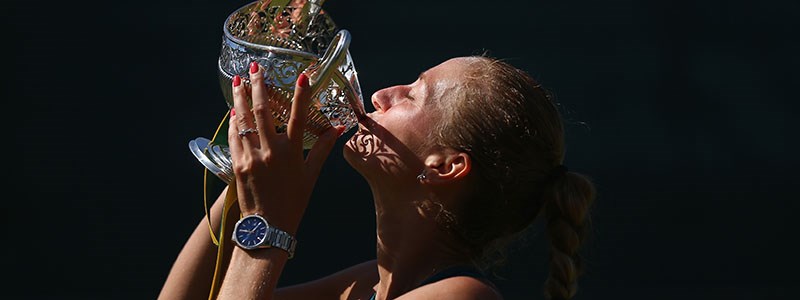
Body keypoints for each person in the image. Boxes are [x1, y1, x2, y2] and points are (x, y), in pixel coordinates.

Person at [159, 55, 596, 300]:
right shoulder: (366, 285)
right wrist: (246, 177)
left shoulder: (463, 298)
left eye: (413, 93)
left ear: (444, 166)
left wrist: (270, 226)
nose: (381, 95)